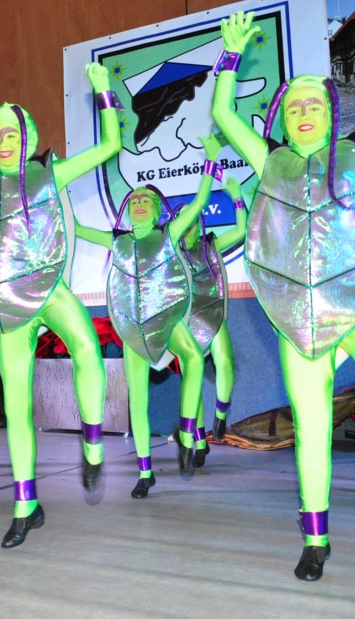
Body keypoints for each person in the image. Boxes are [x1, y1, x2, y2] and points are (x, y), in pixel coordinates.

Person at [211, 0, 355, 588]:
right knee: (311, 428)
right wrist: (229, 59)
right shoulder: (271, 162)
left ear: (332, 114)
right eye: (293, 107)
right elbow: (226, 117)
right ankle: (315, 539)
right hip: (299, 317)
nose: (304, 113)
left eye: (314, 104)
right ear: (283, 120)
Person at [0, 60, 122, 548]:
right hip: (6, 302)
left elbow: (109, 146)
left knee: (86, 345)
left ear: (27, 137)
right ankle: (25, 506)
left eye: (11, 133)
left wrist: (103, 93)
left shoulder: (48, 175)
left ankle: (92, 442)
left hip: (47, 288)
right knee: (16, 404)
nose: (2, 140)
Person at [76, 133, 233, 496]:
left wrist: (210, 162)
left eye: (146, 199)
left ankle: (188, 429)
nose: (140, 203)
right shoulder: (116, 240)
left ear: (158, 208)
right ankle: (145, 472)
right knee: (138, 400)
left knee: (194, 357)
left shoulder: (169, 234)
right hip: (134, 328)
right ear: (127, 209)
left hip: (168, 320)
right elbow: (77, 230)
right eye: (134, 199)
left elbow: (199, 203)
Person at [177, 167, 247, 463]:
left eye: (192, 219)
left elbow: (241, 231)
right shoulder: (171, 253)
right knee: (191, 383)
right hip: (184, 322)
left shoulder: (210, 245)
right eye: (183, 219)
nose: (188, 224)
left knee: (225, 362)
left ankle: (221, 411)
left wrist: (237, 198)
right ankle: (199, 440)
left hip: (212, 313)